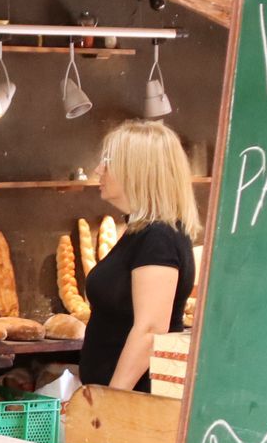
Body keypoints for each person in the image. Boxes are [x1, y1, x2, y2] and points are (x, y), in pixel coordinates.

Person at [80, 120, 199, 392]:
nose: (99, 169)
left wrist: (114, 397)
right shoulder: (141, 233)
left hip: (137, 400)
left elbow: (151, 329)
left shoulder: (158, 238)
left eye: (108, 161)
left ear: (137, 171)